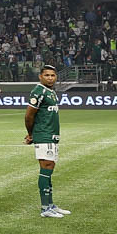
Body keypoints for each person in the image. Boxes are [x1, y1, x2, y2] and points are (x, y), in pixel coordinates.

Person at [25, 64, 70, 218]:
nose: (50, 78)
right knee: (46, 168)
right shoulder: (38, 91)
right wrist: (31, 134)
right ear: (40, 76)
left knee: (50, 168)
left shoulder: (50, 92)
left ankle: (50, 204)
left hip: (51, 135)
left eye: (52, 75)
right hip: (43, 135)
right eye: (47, 75)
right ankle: (45, 208)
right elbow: (29, 115)